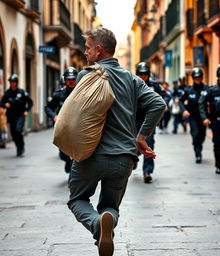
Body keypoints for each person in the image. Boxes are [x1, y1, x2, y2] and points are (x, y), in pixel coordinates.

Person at [67, 28, 166, 256]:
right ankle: (105, 221)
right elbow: (158, 104)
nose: (85, 52)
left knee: (78, 199)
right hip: (123, 157)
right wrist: (140, 137)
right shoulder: (132, 79)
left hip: (90, 156)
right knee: (110, 206)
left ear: (99, 50)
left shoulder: (87, 76)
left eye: (88, 48)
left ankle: (96, 224)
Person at [199, 63, 220, 174]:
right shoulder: (211, 89)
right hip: (215, 120)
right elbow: (201, 102)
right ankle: (218, 165)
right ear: (218, 75)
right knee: (217, 143)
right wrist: (204, 117)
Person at [135, 61, 166, 183]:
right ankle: (134, 158)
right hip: (136, 119)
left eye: (145, 74)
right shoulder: (132, 85)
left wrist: (164, 104)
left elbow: (165, 95)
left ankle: (147, 171)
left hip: (150, 119)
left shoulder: (154, 85)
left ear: (148, 74)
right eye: (140, 74)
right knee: (135, 143)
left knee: (148, 143)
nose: (143, 76)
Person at [45, 68, 78, 174]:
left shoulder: (82, 93)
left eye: (73, 79)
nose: (71, 81)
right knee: (63, 153)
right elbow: (48, 107)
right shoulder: (59, 94)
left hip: (77, 128)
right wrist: (54, 116)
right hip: (62, 129)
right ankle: (67, 161)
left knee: (76, 153)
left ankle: (72, 175)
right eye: (68, 79)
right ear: (65, 80)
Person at [0, 74, 33, 156]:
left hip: (20, 115)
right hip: (11, 116)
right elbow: (1, 103)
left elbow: (30, 102)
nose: (12, 83)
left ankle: (21, 147)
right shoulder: (7, 93)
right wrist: (5, 105)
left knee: (18, 130)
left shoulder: (22, 92)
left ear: (16, 82)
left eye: (14, 82)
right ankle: (18, 146)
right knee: (14, 133)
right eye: (11, 82)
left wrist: (26, 110)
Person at [180, 67, 208, 163]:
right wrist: (184, 110)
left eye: (199, 77)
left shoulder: (206, 88)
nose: (197, 79)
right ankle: (198, 154)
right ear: (193, 78)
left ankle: (198, 145)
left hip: (203, 117)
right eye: (195, 77)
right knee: (195, 135)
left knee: (202, 136)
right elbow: (181, 100)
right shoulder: (188, 89)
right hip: (192, 117)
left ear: (202, 77)